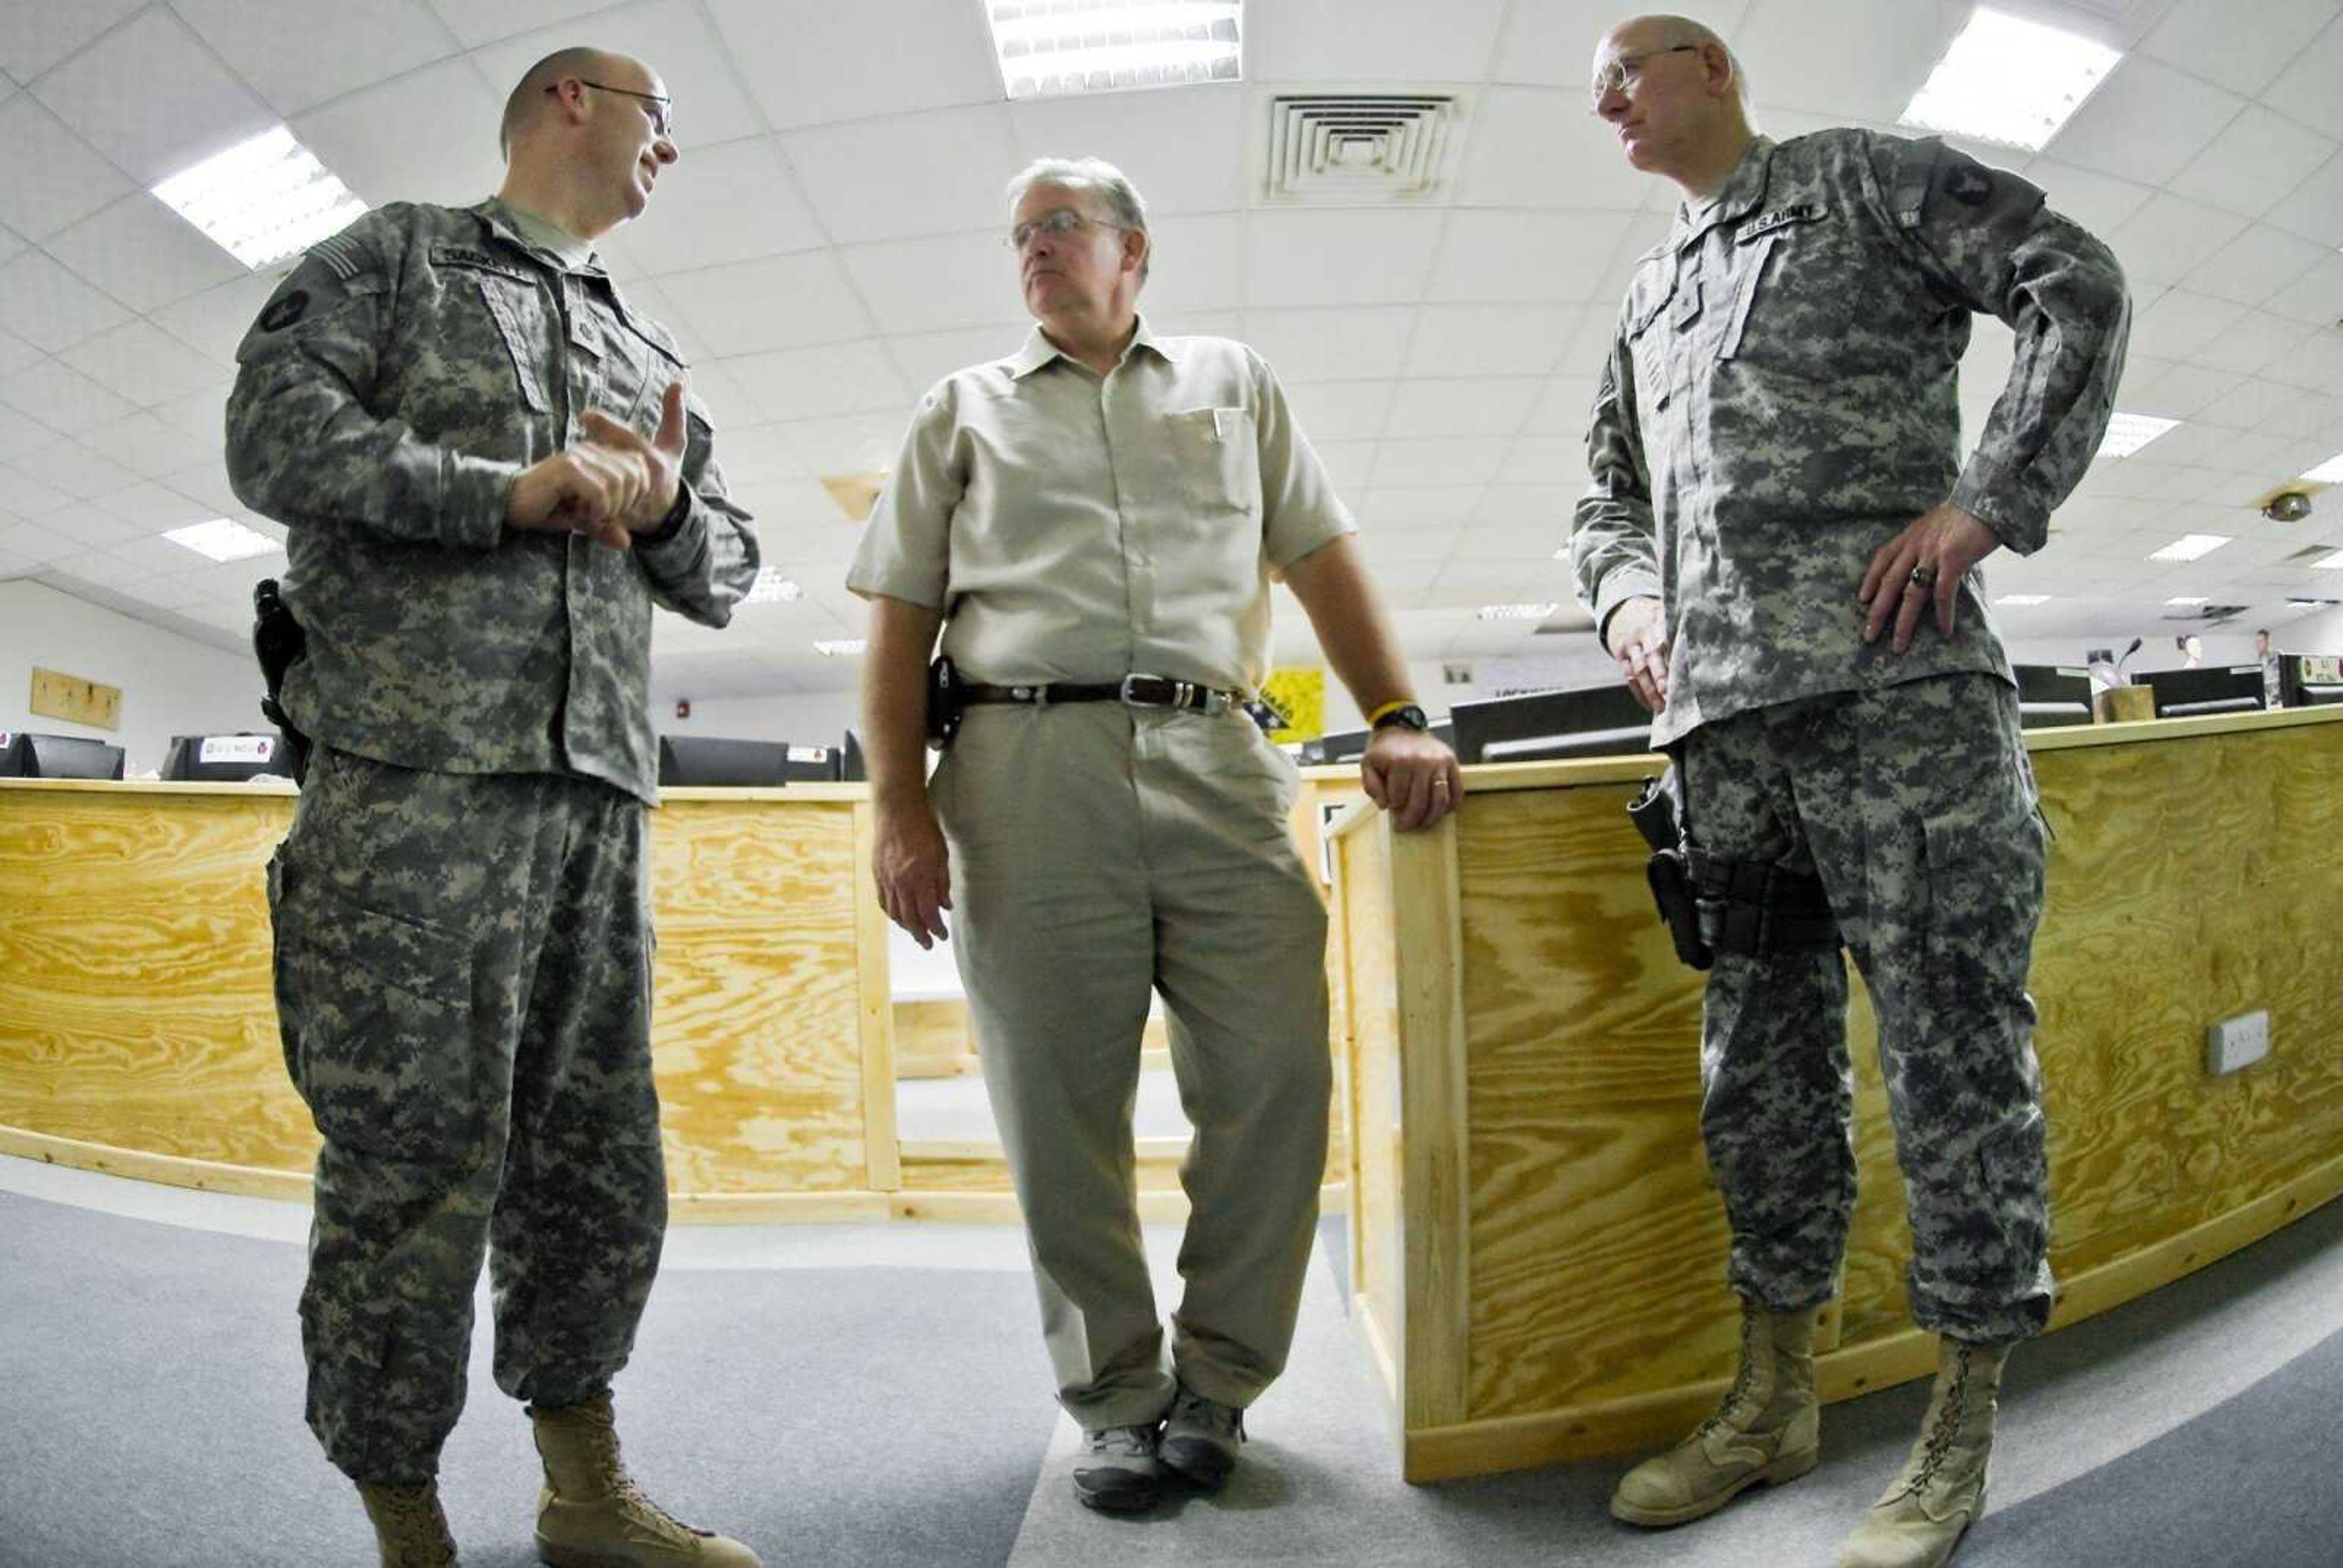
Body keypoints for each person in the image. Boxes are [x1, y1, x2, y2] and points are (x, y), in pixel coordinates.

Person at [1572, 15, 2128, 1568]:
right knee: (1758, 1073)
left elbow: (2074, 282)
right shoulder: (1650, 294)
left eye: (1630, 65)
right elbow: (1603, 493)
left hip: (1903, 700)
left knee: (1953, 1053)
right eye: (1594, 88)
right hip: (1725, 735)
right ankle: (1773, 1400)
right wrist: (1627, 603)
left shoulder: (1869, 186)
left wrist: (1986, 501)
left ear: (1716, 71)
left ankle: (1958, 1426)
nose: (1605, 99)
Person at [848, 156, 1461, 1516]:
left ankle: (1221, 1382)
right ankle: (1118, 1401)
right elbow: (899, 618)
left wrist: (1398, 711)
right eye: (1018, 234)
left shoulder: (1234, 384)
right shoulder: (961, 412)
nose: (1035, 250)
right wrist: (897, 805)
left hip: (1222, 760)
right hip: (1020, 772)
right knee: (1056, 1108)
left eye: (1061, 225)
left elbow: (1320, 555)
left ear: (1136, 250)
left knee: (1277, 1077)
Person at [226, 46, 761, 1568]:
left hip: (593, 799)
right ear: (573, 103)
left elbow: (729, 567)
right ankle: (408, 1523)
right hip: (414, 790)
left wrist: (662, 512)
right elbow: (269, 437)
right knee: (412, 1153)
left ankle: (585, 1493)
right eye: (663, 120)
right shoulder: (396, 258)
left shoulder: (645, 341)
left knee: (595, 1157)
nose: (675, 151)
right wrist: (497, 489)